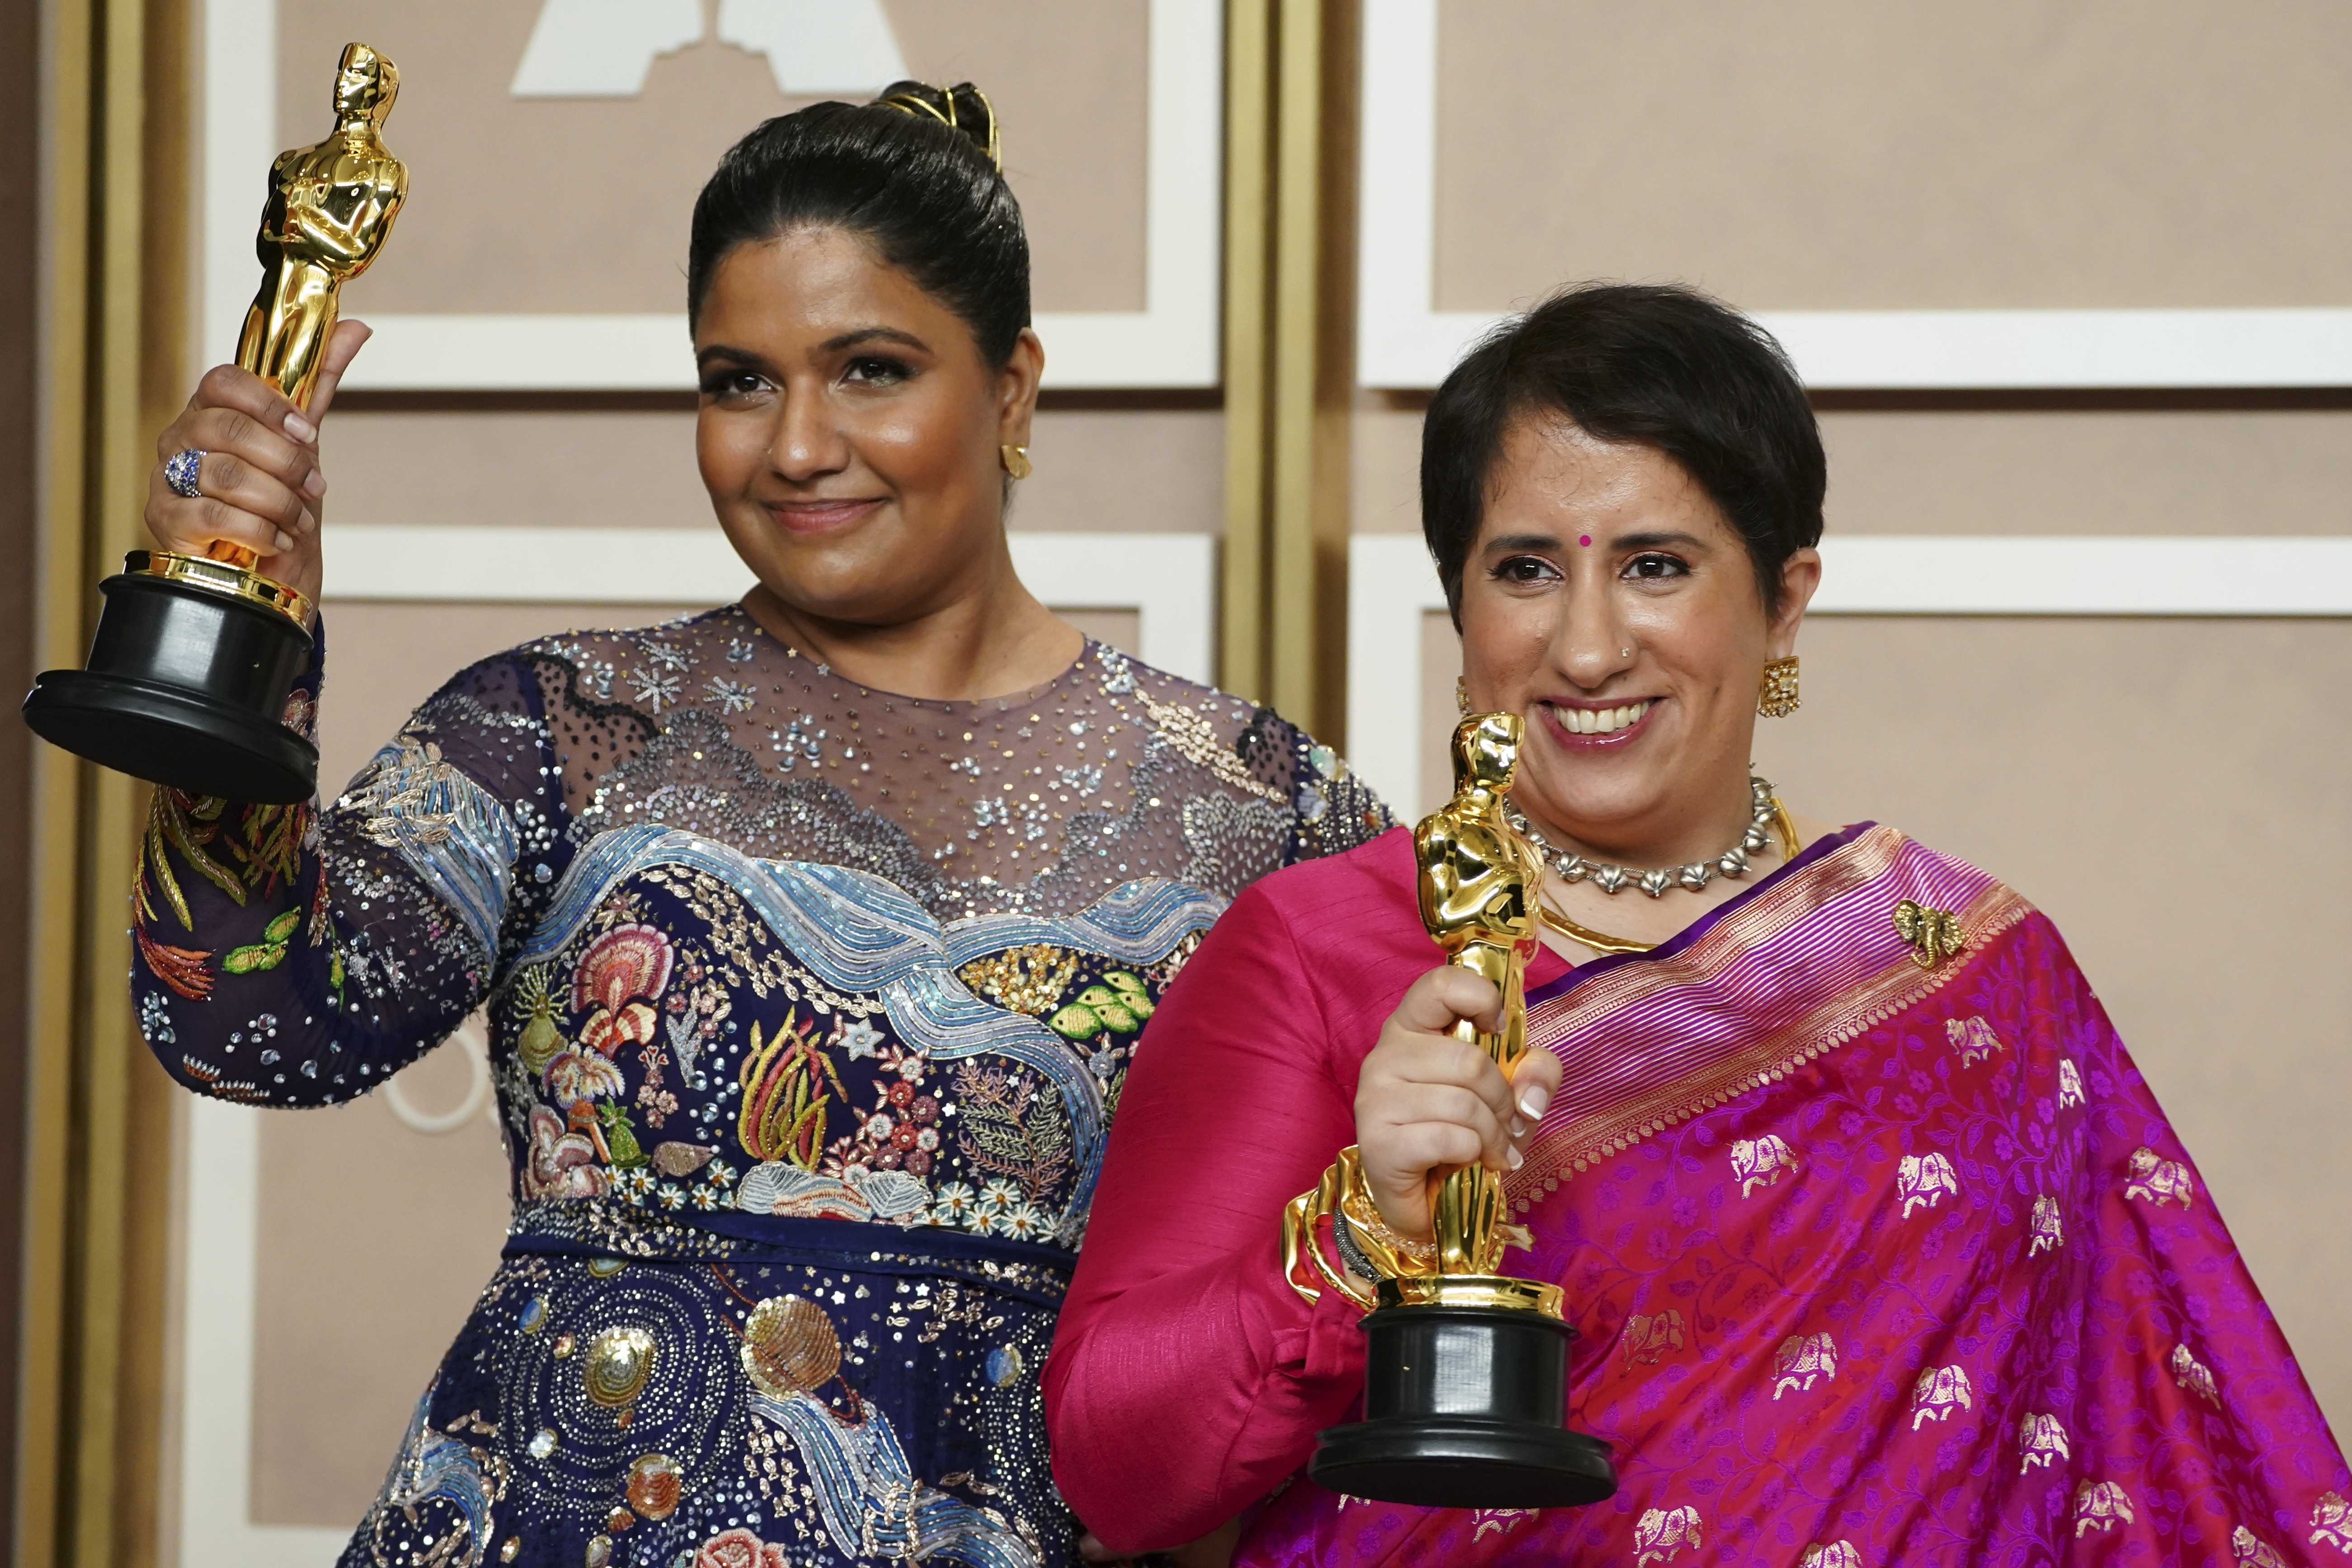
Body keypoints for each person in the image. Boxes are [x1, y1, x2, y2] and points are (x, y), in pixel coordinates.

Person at [132, 82, 1387, 1568]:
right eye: (739, 381)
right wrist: (237, 620)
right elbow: (251, 1024)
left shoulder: (1264, 811)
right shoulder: (558, 726)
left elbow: (1365, 1297)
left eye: (870, 371)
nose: (795, 446)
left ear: (1011, 390)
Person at [1044, 283, 2350, 1564]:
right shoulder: (1325, 946)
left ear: (1784, 600)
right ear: (1461, 605)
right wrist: (1358, 1236)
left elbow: (2169, 1442)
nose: (1587, 648)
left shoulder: (1960, 966)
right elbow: (1116, 1474)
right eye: (1524, 570)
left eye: (1656, 567)